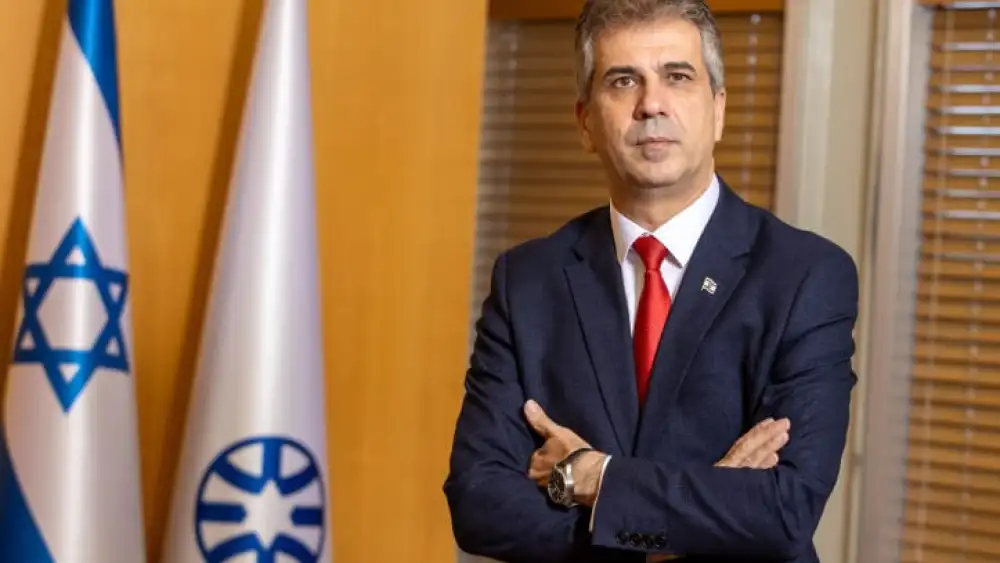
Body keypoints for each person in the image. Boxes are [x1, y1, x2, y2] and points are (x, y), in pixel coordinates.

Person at [443, 0, 858, 561]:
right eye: (622, 81)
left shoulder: (805, 276)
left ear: (718, 111)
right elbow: (478, 505)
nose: (651, 104)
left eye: (678, 77)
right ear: (586, 122)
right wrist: (679, 529)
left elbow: (784, 509)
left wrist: (591, 478)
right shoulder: (528, 281)